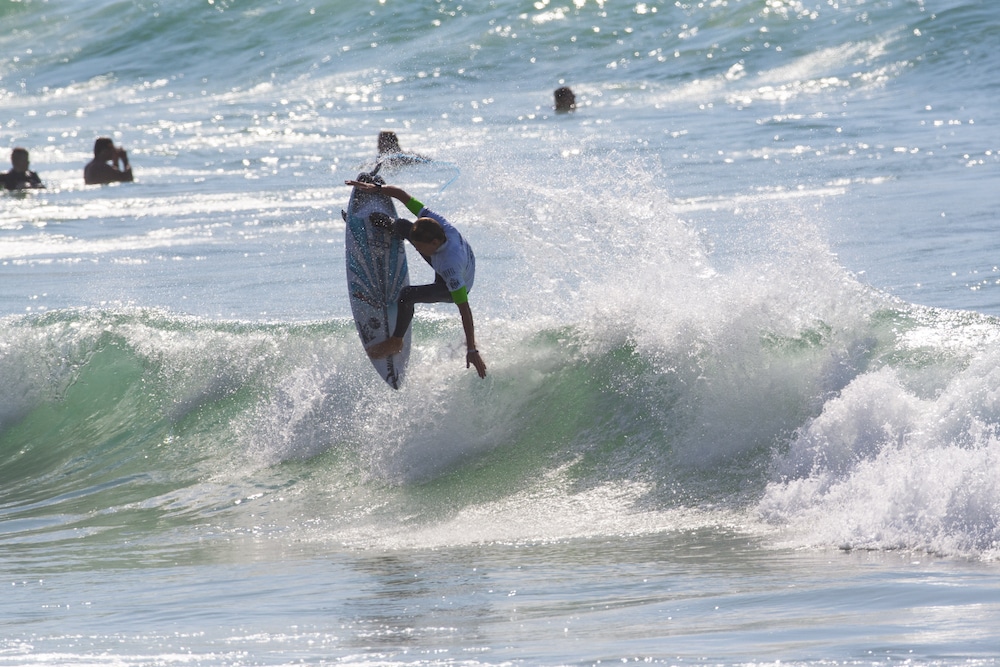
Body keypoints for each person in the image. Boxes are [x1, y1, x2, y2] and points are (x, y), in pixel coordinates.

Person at [344, 178, 487, 379]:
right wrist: (377, 189)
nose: (417, 249)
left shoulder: (449, 267)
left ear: (435, 242)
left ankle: (395, 342)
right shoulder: (436, 223)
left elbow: (464, 307)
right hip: (456, 258)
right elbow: (403, 196)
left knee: (407, 295)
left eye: (420, 246)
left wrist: (471, 348)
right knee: (402, 225)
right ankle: (386, 229)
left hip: (455, 283)